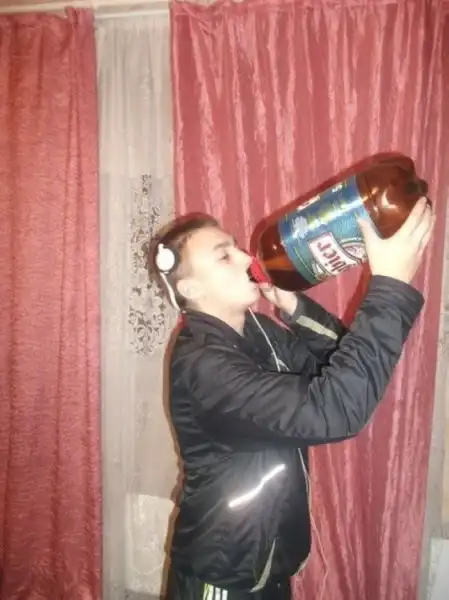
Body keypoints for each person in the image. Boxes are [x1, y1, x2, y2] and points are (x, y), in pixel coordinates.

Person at [151, 198, 434, 600]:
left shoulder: (256, 331)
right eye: (224, 256)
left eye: (236, 247)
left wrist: (294, 307)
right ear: (190, 288)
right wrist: (390, 286)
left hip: (267, 563)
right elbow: (334, 410)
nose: (246, 257)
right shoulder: (204, 367)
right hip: (225, 573)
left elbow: (337, 362)